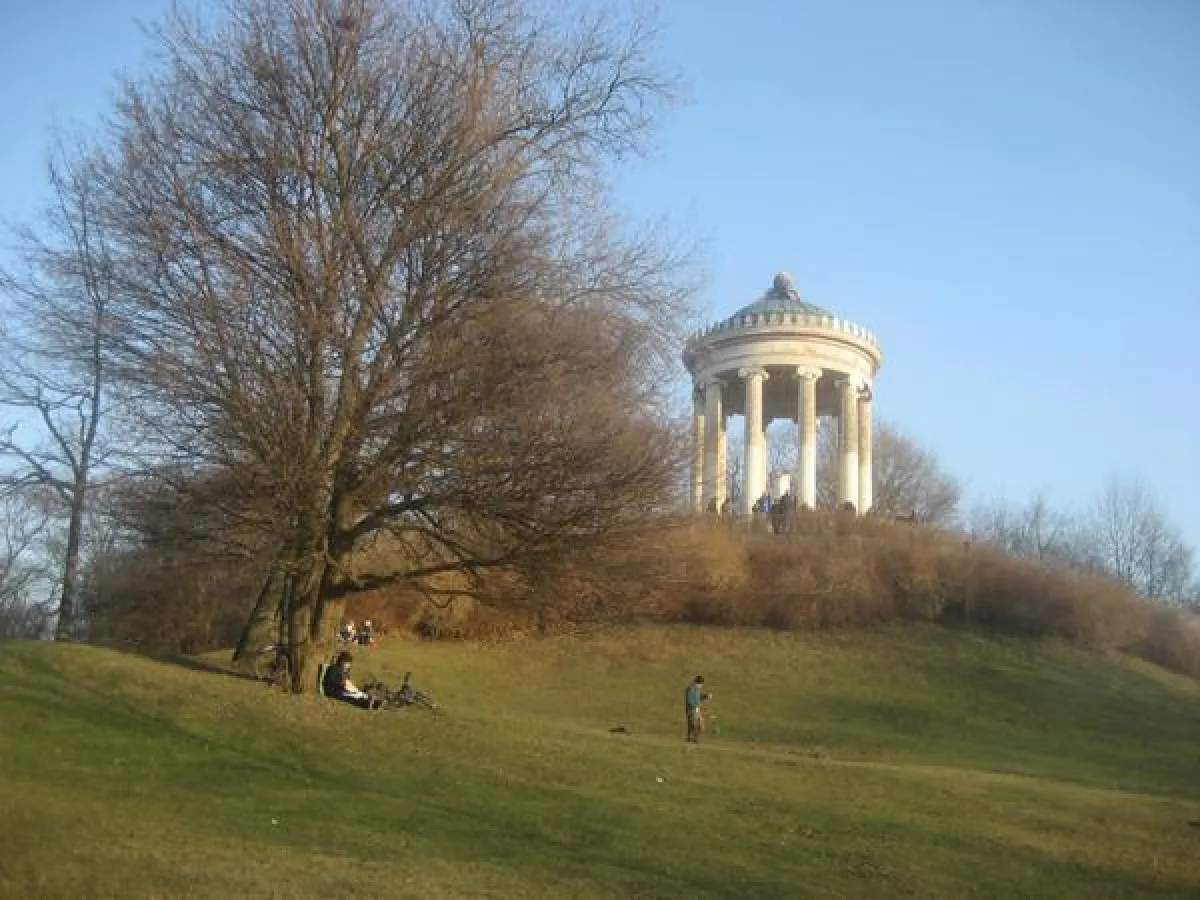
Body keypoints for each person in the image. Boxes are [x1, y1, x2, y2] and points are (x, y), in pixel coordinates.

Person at [684, 675, 710, 743]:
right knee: (693, 725)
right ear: (697, 683)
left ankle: (694, 738)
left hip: (697, 709)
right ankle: (693, 739)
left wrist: (705, 696)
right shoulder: (690, 689)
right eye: (701, 684)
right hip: (691, 710)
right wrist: (696, 705)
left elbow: (699, 697)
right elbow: (689, 700)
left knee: (701, 726)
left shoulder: (698, 689)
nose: (701, 686)